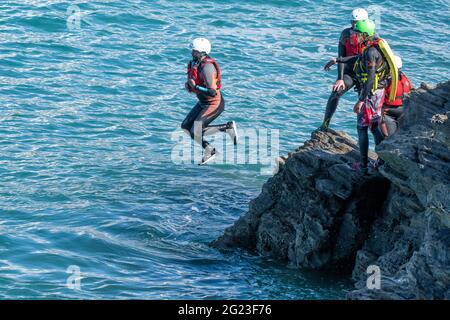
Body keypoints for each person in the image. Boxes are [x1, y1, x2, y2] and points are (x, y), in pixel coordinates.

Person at [351, 19, 399, 174]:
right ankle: (382, 159)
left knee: (362, 128)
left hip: (370, 94)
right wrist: (337, 60)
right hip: (377, 93)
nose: (354, 36)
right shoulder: (376, 45)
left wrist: (360, 100)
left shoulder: (371, 52)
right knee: (374, 125)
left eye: (357, 33)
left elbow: (370, 78)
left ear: (365, 34)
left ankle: (364, 166)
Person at [182, 38, 238, 165]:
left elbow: (212, 91)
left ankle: (216, 144)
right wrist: (189, 86)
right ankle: (219, 138)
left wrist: (195, 86)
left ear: (202, 52)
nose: (192, 53)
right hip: (203, 103)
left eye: (194, 51)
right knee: (186, 126)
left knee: (194, 131)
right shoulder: (195, 63)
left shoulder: (207, 67)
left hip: (214, 103)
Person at [319, 8, 370, 131]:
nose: (354, 25)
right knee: (335, 93)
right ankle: (325, 125)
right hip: (350, 73)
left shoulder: (371, 36)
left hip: (365, 75)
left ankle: (363, 133)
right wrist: (340, 78)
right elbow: (341, 56)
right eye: (352, 22)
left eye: (357, 22)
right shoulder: (345, 34)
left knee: (363, 107)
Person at [379, 55, 413, 137]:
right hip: (404, 111)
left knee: (388, 138)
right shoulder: (406, 79)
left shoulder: (386, 80)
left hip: (388, 112)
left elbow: (379, 99)